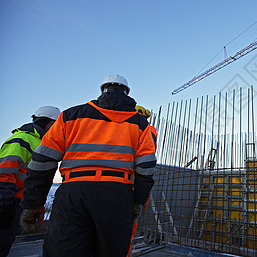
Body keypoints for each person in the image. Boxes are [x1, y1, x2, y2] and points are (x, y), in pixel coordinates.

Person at [20, 74, 157, 257]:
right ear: (127, 92)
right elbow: (146, 167)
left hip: (73, 193)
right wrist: (138, 202)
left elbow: (42, 160)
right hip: (117, 195)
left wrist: (33, 202)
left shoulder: (70, 116)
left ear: (102, 90)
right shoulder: (140, 124)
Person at [0, 106, 60, 257]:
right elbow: (5, 168)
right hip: (8, 201)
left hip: (19, 201)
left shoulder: (40, 141)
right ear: (48, 123)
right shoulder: (23, 138)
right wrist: (5, 199)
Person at [127, 105, 157, 257]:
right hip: (133, 180)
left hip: (129, 179)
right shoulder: (147, 130)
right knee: (127, 223)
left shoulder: (146, 130)